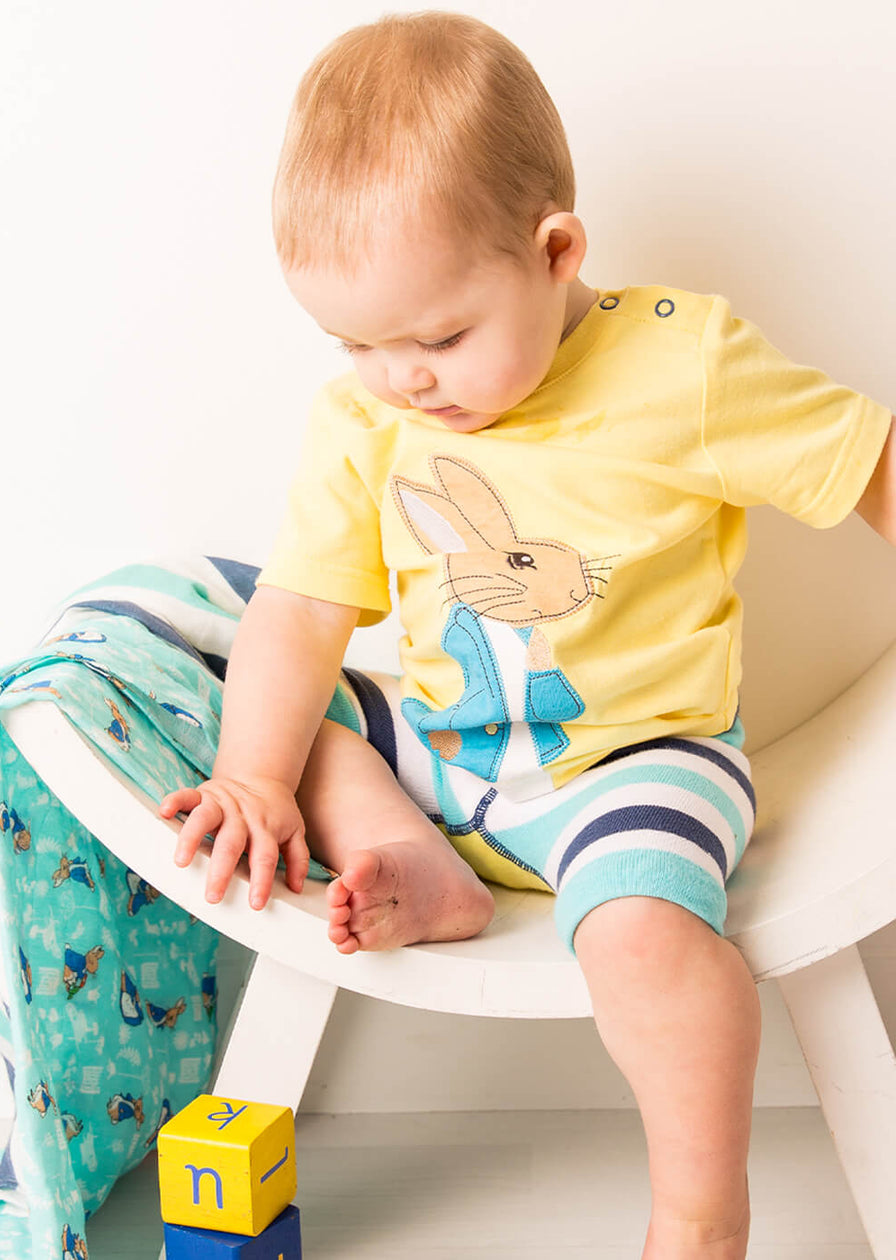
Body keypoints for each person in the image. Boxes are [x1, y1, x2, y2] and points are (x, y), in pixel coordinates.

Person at [159, 12, 896, 1256]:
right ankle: (417, 858)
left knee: (647, 937)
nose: (403, 379)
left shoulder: (682, 365)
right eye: (356, 342)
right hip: (450, 755)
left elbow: (869, 463)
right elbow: (301, 606)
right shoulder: (367, 423)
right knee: (296, 704)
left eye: (438, 336)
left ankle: (699, 1219)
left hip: (632, 761)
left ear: (556, 253)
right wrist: (252, 774)